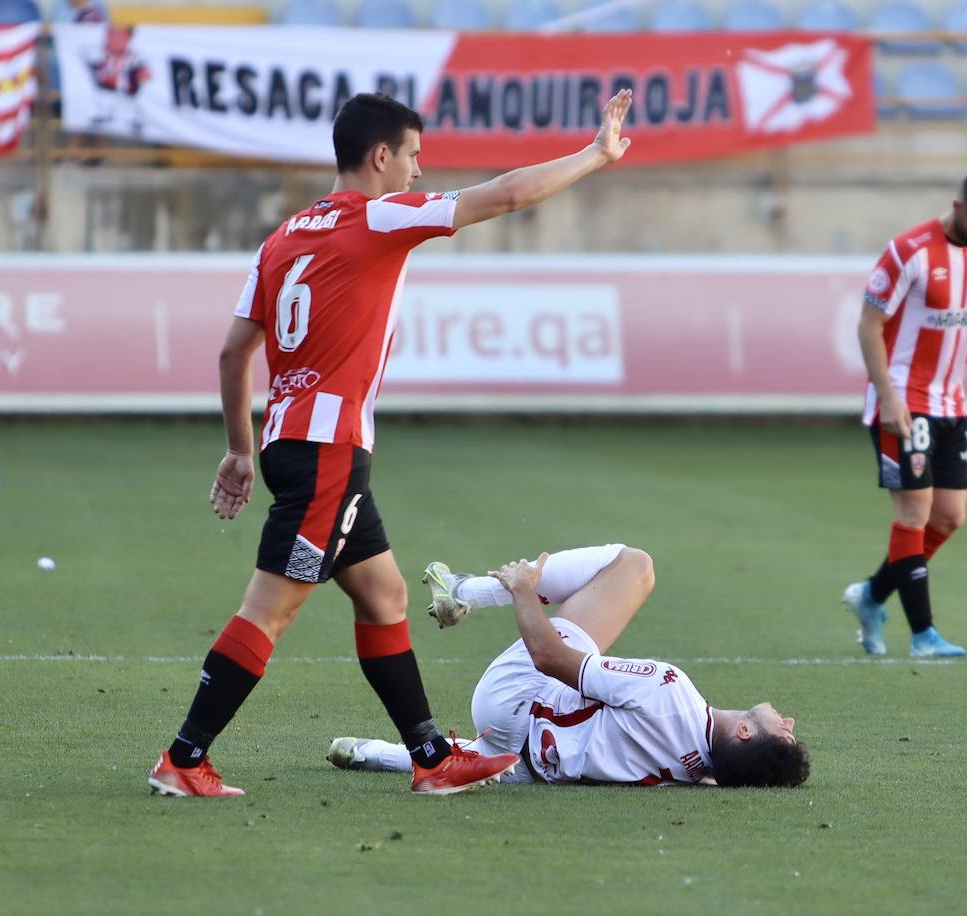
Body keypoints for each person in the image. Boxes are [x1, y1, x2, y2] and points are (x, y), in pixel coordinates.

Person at [148, 88, 637, 798]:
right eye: (411, 155)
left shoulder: (282, 237)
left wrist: (239, 450)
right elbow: (501, 196)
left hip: (291, 444)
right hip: (327, 457)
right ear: (380, 156)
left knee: (385, 596)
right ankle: (184, 759)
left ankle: (433, 759)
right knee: (269, 609)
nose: (417, 171)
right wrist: (595, 154)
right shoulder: (377, 217)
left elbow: (233, 352)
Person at [327, 545, 811, 788]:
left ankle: (466, 591)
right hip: (524, 759)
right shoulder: (699, 771)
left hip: (515, 696)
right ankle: (372, 752)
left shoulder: (672, 693)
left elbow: (550, 658)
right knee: (551, 720)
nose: (787, 720)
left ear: (746, 733)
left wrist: (522, 589)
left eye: (782, 731)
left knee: (633, 566)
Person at [841, 169, 967, 658]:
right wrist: (888, 396)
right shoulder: (909, 251)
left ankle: (872, 596)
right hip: (903, 403)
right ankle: (923, 635)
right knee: (913, 513)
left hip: (951, 404)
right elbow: (869, 325)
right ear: (960, 208)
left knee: (950, 517)